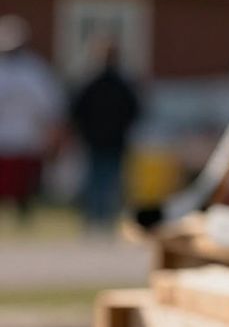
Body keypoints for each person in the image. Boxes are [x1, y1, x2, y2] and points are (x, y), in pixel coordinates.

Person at [0, 15, 64, 225]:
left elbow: (50, 109)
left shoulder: (35, 71)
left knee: (23, 187)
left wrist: (53, 137)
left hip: (26, 140)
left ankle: (22, 218)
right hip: (7, 140)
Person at [70, 41, 141, 229]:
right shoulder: (122, 84)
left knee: (96, 179)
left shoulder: (91, 82)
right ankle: (106, 218)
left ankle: (95, 217)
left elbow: (76, 110)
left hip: (96, 139)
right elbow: (134, 110)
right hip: (113, 139)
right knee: (110, 179)